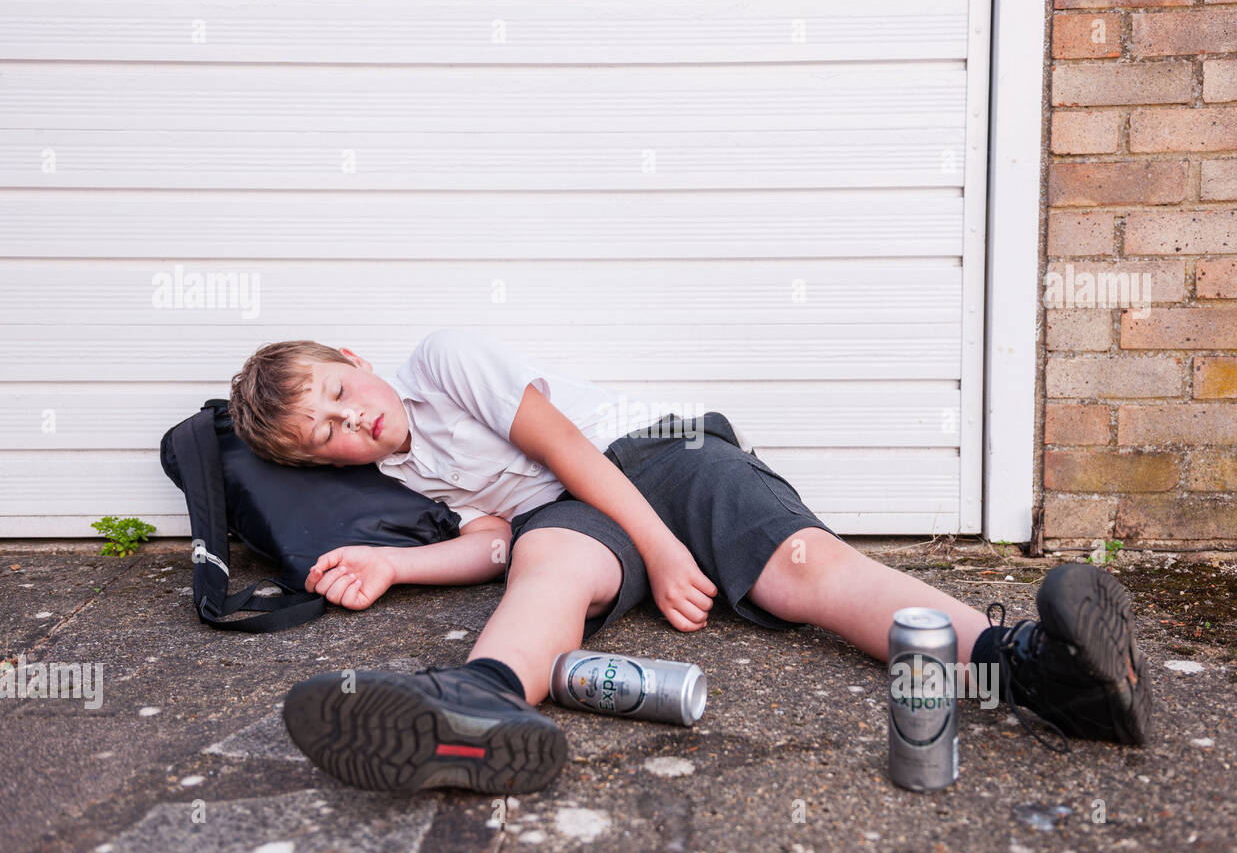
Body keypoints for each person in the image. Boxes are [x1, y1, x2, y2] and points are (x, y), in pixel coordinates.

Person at [227, 328, 1154, 794]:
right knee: (546, 567)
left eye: (343, 394)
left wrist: (668, 551)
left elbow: (566, 450)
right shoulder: (410, 473)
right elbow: (497, 538)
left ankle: (1029, 667)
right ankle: (478, 705)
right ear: (324, 461)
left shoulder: (441, 361)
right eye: (331, 436)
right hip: (568, 511)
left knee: (800, 568)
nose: (356, 423)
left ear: (354, 357)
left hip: (651, 454)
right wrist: (395, 567)